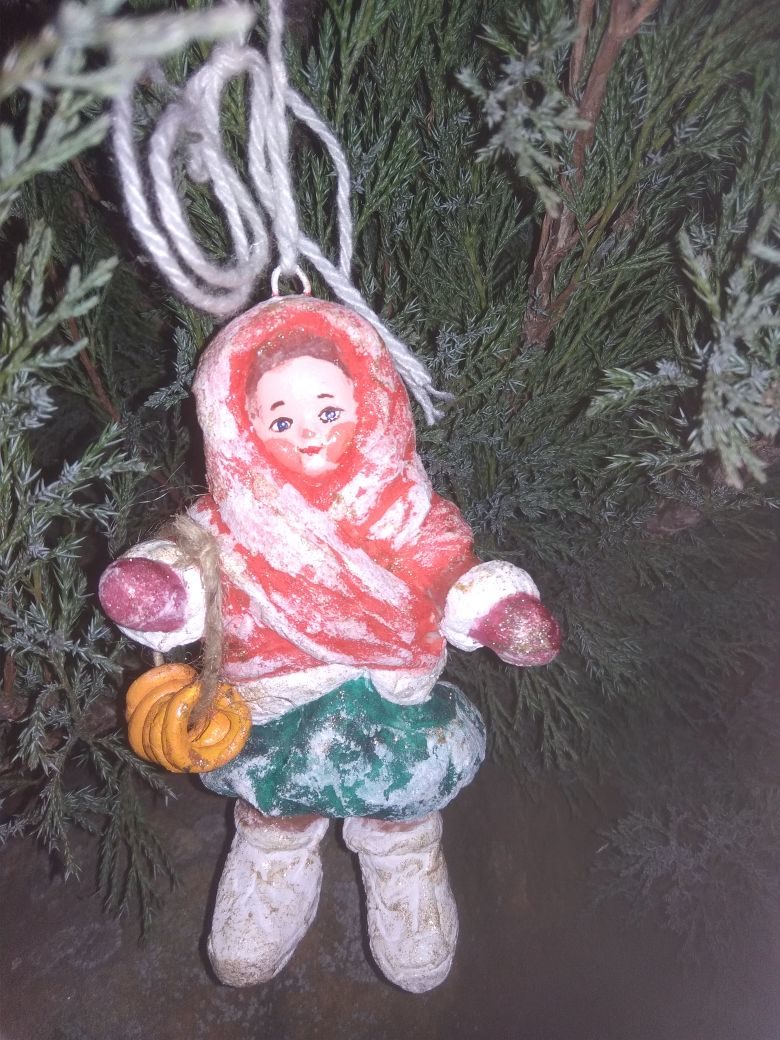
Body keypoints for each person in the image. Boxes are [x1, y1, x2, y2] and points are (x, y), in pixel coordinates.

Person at [99, 297, 560, 993]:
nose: (308, 433)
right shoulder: (228, 519)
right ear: (241, 425)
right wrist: (160, 589)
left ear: (368, 405)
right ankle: (272, 866)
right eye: (281, 420)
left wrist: (497, 609)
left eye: (328, 410)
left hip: (388, 692)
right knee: (277, 795)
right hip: (275, 699)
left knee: (403, 788)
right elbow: (194, 565)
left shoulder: (403, 507)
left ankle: (405, 867)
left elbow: (445, 566)